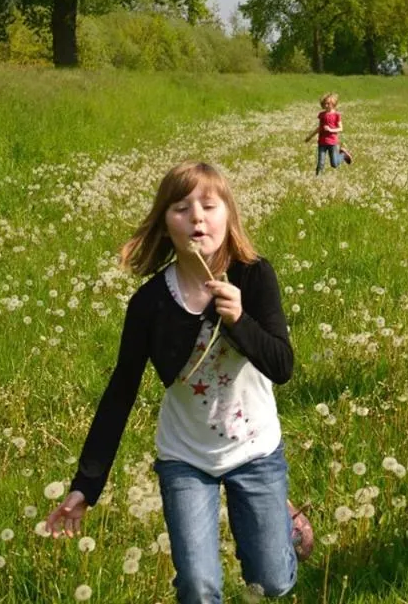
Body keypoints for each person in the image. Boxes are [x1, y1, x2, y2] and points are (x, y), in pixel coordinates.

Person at [44, 161, 310, 603]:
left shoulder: (253, 275)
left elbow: (282, 366)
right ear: (166, 225)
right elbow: (120, 393)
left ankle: (280, 518)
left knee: (273, 582)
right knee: (198, 587)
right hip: (186, 456)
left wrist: (240, 320)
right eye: (182, 208)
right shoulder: (149, 303)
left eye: (209, 206)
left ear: (229, 216)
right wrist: (85, 485)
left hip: (255, 448)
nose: (197, 218)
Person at [304, 93, 351, 174]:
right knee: (320, 163)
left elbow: (341, 128)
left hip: (332, 142)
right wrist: (310, 136)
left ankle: (343, 155)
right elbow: (319, 128)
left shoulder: (336, 115)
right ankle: (317, 179)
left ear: (333, 104)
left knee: (334, 164)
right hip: (321, 142)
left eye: (329, 103)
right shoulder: (321, 115)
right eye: (325, 103)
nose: (326, 105)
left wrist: (330, 130)